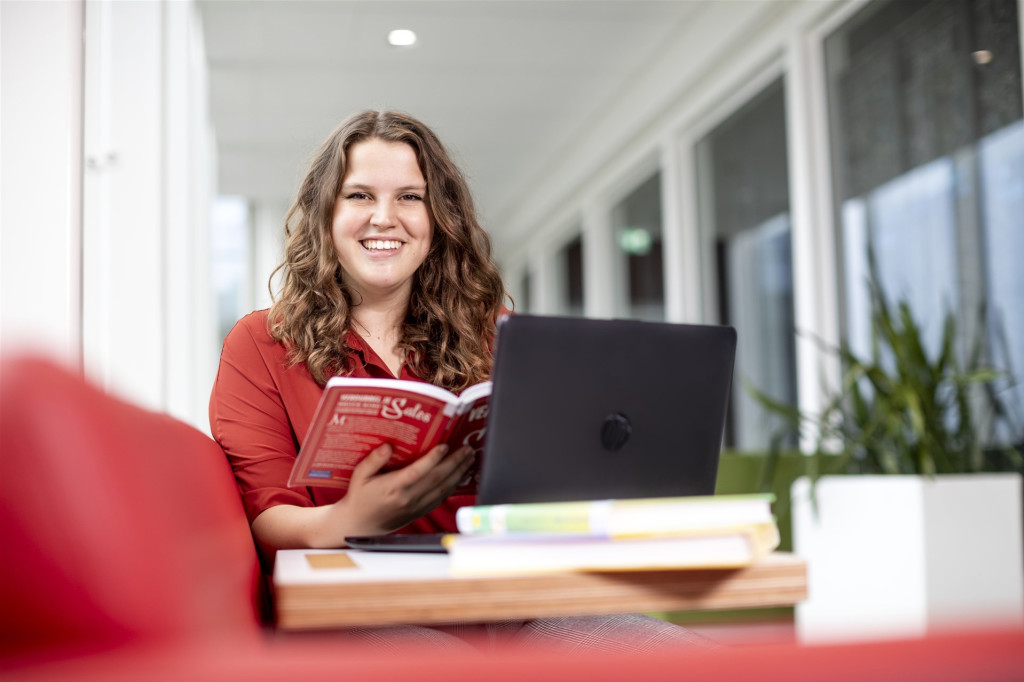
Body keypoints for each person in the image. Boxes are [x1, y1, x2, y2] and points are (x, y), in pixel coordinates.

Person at [210, 110, 714, 652]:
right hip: (355, 609)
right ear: (325, 214)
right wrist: (349, 518)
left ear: (438, 216)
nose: (385, 217)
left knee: (675, 655)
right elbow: (265, 518)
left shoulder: (494, 335)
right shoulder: (261, 342)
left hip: (511, 602)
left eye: (410, 197)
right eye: (358, 196)